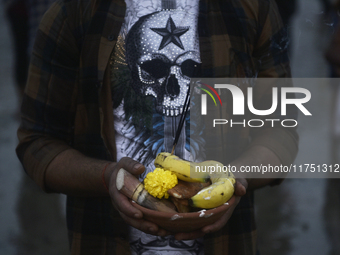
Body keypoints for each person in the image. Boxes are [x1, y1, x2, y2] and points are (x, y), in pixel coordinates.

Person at [16, 0, 298, 254]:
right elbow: (38, 142)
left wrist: (233, 179)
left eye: (189, 70)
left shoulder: (250, 7)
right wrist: (107, 177)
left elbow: (282, 130)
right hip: (103, 239)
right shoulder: (77, 10)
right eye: (154, 69)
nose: (173, 88)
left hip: (228, 242)